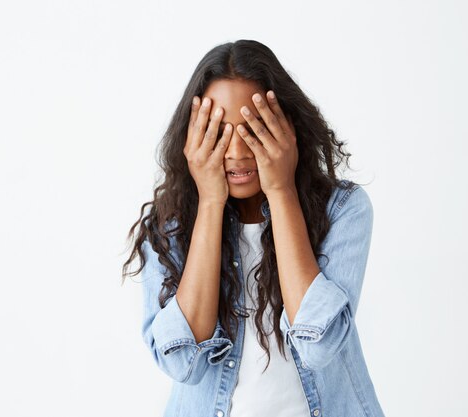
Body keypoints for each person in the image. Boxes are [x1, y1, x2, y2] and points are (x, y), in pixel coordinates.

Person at [122, 39, 386, 417]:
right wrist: (210, 202)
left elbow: (318, 346)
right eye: (218, 131)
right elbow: (183, 364)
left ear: (287, 128)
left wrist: (281, 190)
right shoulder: (168, 226)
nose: (237, 152)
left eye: (253, 128)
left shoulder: (343, 209)